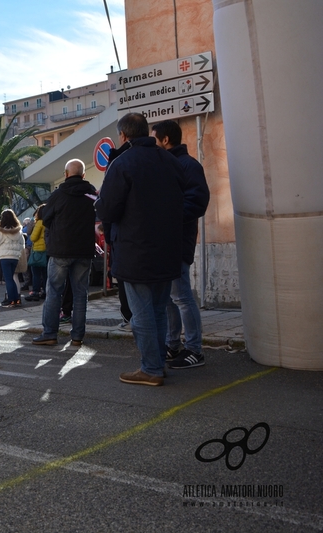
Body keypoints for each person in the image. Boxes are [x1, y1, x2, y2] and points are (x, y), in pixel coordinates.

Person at [94, 113, 198, 386]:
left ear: (124, 136)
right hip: (168, 248)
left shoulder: (122, 163)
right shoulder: (170, 161)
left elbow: (108, 207)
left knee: (142, 314)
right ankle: (158, 363)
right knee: (159, 310)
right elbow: (183, 199)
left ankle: (150, 368)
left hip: (136, 250)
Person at [151, 119, 211, 369]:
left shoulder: (187, 165)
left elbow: (197, 202)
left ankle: (194, 349)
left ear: (165, 140)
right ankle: (172, 344)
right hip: (162, 241)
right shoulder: (163, 165)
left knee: (182, 297)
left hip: (177, 240)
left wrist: (166, 217)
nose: (151, 143)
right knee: (167, 298)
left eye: (154, 139)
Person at [31, 159, 97, 346]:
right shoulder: (91, 194)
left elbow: (46, 220)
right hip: (84, 251)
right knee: (80, 293)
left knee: (54, 292)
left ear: (66, 174)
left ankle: (50, 333)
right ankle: (77, 336)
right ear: (83, 175)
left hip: (60, 250)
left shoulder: (58, 195)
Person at [0, 210, 25, 307]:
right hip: (15, 257)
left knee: (8, 279)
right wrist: (17, 253)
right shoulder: (18, 230)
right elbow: (22, 244)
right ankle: (16, 298)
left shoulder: (1, 230)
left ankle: (11, 299)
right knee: (12, 278)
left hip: (5, 257)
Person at [25, 205, 47, 301]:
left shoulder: (39, 223)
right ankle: (46, 291)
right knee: (46, 273)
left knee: (36, 273)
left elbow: (33, 237)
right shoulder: (49, 222)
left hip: (38, 250)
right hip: (47, 250)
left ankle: (35, 292)